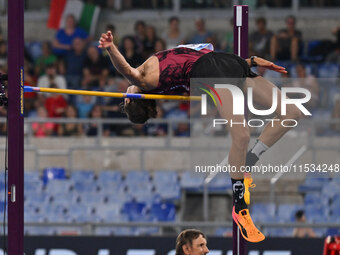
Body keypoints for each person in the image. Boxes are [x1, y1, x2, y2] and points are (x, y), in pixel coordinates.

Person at [99, 30, 302, 243]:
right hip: (210, 73)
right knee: (242, 135)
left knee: (292, 113)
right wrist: (111, 47)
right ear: (130, 99)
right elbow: (126, 70)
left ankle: (249, 160)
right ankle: (240, 206)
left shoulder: (154, 79)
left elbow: (198, 56)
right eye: (125, 100)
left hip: (227, 63)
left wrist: (249, 60)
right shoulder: (145, 80)